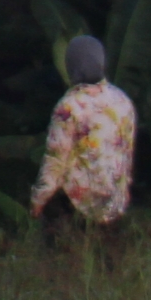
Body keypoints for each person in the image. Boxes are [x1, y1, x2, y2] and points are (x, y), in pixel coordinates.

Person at [33, 34, 138, 245]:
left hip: (76, 205)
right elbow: (125, 154)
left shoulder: (69, 107)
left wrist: (39, 200)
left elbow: (55, 161)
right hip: (113, 204)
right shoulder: (122, 100)